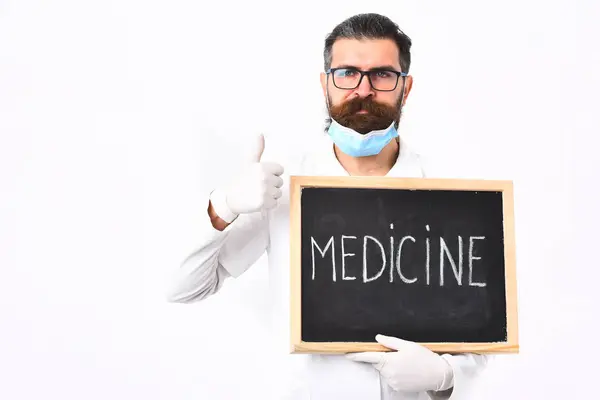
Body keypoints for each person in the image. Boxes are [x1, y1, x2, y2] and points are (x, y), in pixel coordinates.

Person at [167, 12, 489, 400]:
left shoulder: (449, 193)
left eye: (383, 75)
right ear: (326, 84)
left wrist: (445, 375)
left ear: (406, 88)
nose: (364, 89)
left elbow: (475, 325)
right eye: (347, 73)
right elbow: (183, 288)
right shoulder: (282, 187)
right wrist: (224, 205)